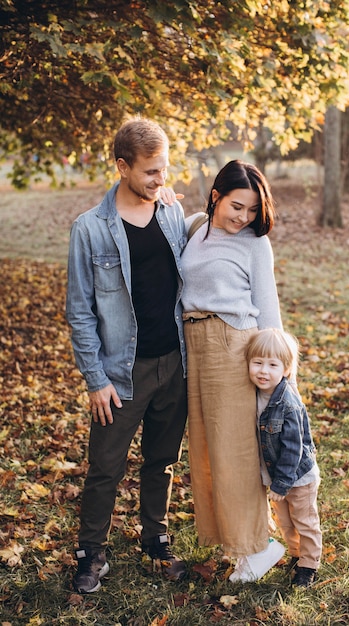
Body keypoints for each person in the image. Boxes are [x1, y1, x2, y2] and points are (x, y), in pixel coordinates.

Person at [66, 117, 188, 593]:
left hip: (173, 362)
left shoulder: (172, 212)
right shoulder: (90, 229)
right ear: (122, 167)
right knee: (105, 468)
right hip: (120, 372)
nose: (160, 181)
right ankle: (91, 552)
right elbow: (79, 313)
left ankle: (154, 538)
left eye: (165, 170)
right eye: (150, 172)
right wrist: (96, 379)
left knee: (161, 460)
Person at [181, 160, 286, 583]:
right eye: (237, 206)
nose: (243, 218)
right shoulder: (192, 228)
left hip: (233, 343)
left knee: (237, 452)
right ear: (215, 196)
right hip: (194, 343)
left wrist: (278, 373)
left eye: (251, 211)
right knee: (207, 450)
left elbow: (268, 307)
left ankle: (259, 548)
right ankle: (237, 542)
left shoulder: (255, 245)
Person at [246, 327, 322, 588]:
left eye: (272, 364)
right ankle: (296, 555)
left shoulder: (287, 403)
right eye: (257, 363)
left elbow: (293, 449)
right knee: (286, 522)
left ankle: (309, 565)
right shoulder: (253, 394)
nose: (263, 371)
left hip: (298, 477)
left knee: (305, 521)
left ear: (286, 369)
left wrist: (281, 484)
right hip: (277, 478)